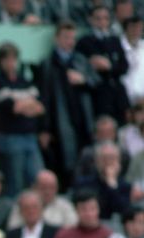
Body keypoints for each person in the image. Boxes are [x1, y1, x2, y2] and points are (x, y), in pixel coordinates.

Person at [39, 20, 100, 189]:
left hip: (83, 119)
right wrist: (45, 128)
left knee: (85, 160)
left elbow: (96, 83)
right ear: (57, 38)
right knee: (63, 162)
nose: (70, 42)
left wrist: (84, 80)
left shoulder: (80, 60)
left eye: (72, 38)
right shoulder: (48, 64)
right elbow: (44, 98)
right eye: (66, 37)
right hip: (59, 122)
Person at [0, 42, 44, 198]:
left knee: (38, 178)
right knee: (15, 184)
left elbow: (39, 108)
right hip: (10, 139)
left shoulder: (25, 81)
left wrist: (21, 104)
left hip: (30, 137)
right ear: (0, 62)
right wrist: (27, 104)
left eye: (13, 59)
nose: (11, 63)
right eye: (7, 59)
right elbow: (14, 108)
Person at [76, 6, 130, 125]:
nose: (102, 22)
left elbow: (124, 66)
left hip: (118, 96)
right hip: (98, 96)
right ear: (91, 20)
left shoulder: (115, 40)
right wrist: (93, 65)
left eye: (105, 18)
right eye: (98, 18)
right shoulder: (84, 41)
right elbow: (79, 68)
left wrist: (110, 66)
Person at [78, 141, 140, 222]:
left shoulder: (126, 186)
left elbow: (123, 212)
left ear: (119, 161)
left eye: (111, 158)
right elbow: (97, 209)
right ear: (97, 161)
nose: (108, 162)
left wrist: (112, 184)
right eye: (104, 158)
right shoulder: (84, 182)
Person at [6, 168, 78, 228]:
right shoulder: (23, 203)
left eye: (52, 187)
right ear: (34, 187)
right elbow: (13, 229)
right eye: (44, 187)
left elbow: (73, 230)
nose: (48, 192)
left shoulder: (65, 206)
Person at [74, 115, 131, 182]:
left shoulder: (123, 153)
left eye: (109, 132)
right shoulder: (87, 154)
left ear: (115, 134)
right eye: (102, 133)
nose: (106, 136)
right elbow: (78, 177)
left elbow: (130, 177)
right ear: (95, 135)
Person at [121, 16, 144, 104]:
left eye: (139, 28)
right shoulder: (117, 46)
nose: (136, 31)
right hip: (125, 97)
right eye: (133, 28)